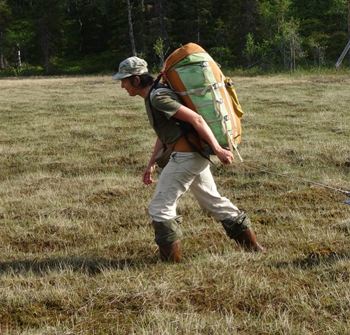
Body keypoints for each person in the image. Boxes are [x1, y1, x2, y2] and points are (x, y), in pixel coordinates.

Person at [113, 56, 264, 261]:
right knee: (213, 202)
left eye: (124, 80)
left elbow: (196, 119)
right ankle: (254, 249)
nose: (122, 85)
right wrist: (151, 164)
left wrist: (218, 149)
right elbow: (164, 134)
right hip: (193, 156)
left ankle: (170, 263)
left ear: (137, 80)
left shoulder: (158, 97)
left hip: (186, 158)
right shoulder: (156, 95)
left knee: (160, 207)